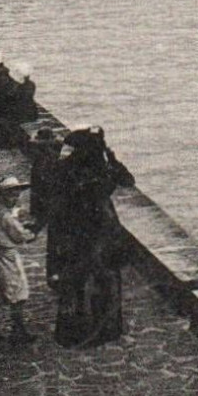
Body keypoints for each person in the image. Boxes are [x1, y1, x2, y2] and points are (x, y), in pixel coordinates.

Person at [49, 127, 135, 348]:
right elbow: (127, 180)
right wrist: (112, 158)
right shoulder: (100, 170)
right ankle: (105, 328)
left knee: (80, 282)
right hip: (98, 231)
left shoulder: (67, 168)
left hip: (79, 231)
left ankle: (76, 330)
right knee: (103, 280)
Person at [0, 176, 38, 344]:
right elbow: (19, 235)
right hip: (6, 257)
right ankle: (18, 330)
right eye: (11, 195)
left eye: (16, 195)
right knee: (17, 291)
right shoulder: (5, 216)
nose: (15, 199)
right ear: (2, 196)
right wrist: (30, 233)